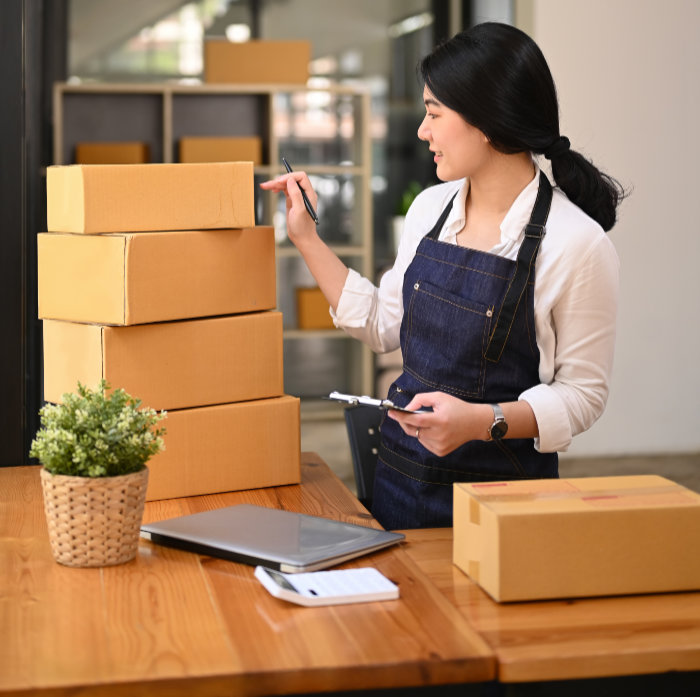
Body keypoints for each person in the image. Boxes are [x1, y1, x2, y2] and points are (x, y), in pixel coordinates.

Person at [261, 21, 625, 530]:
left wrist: (482, 422)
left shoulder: (577, 244)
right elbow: (382, 325)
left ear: (487, 121)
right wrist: (306, 237)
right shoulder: (430, 210)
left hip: (503, 505)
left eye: (434, 112)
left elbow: (584, 395)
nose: (421, 130)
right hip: (398, 481)